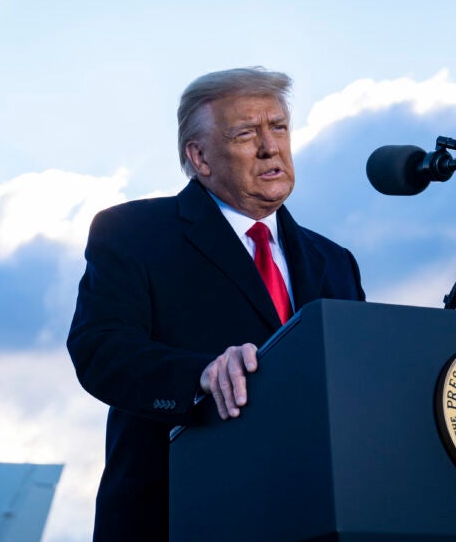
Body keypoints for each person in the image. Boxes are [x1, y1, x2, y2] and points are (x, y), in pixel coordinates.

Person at [67, 67, 365, 541]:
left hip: (313, 516)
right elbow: (100, 350)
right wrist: (200, 376)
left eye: (279, 127)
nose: (270, 147)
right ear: (200, 156)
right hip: (175, 515)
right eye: (246, 133)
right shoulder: (132, 234)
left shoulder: (335, 261)